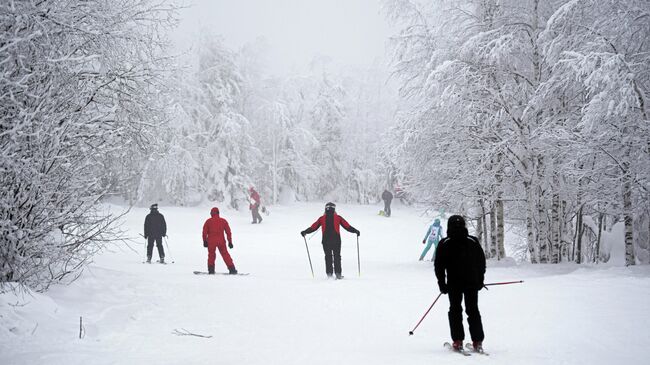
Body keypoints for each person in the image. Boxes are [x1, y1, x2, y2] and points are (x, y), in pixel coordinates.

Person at [434, 215, 486, 352]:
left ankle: (457, 341)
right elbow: (481, 262)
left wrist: (442, 283)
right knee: (473, 310)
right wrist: (480, 280)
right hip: (471, 283)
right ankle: (477, 341)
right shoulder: (473, 241)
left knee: (455, 310)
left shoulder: (445, 243)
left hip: (454, 284)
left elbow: (439, 266)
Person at [300, 202, 360, 279]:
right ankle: (338, 274)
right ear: (334, 209)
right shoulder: (338, 217)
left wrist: (305, 232)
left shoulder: (321, 218)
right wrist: (356, 231)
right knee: (337, 256)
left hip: (325, 241)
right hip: (336, 241)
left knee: (328, 257)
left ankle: (329, 274)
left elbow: (313, 227)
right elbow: (347, 226)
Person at [202, 207, 237, 274]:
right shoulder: (223, 221)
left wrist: (204, 241)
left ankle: (211, 270)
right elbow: (228, 232)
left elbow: (204, 232)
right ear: (218, 213)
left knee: (211, 255)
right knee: (225, 255)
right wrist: (230, 242)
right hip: (221, 241)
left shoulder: (208, 221)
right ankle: (232, 269)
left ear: (211, 213)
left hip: (211, 242)